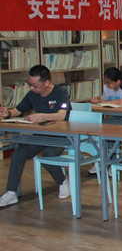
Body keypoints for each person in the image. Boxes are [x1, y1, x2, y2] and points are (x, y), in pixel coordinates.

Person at [0, 65, 71, 207]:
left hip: (60, 135)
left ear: (46, 82)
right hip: (41, 134)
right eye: (30, 84)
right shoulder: (32, 94)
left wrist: (41, 116)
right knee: (18, 153)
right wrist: (8, 113)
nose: (32, 88)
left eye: (35, 85)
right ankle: (11, 192)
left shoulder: (60, 92)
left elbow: (62, 115)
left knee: (48, 157)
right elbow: (18, 110)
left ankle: (63, 182)